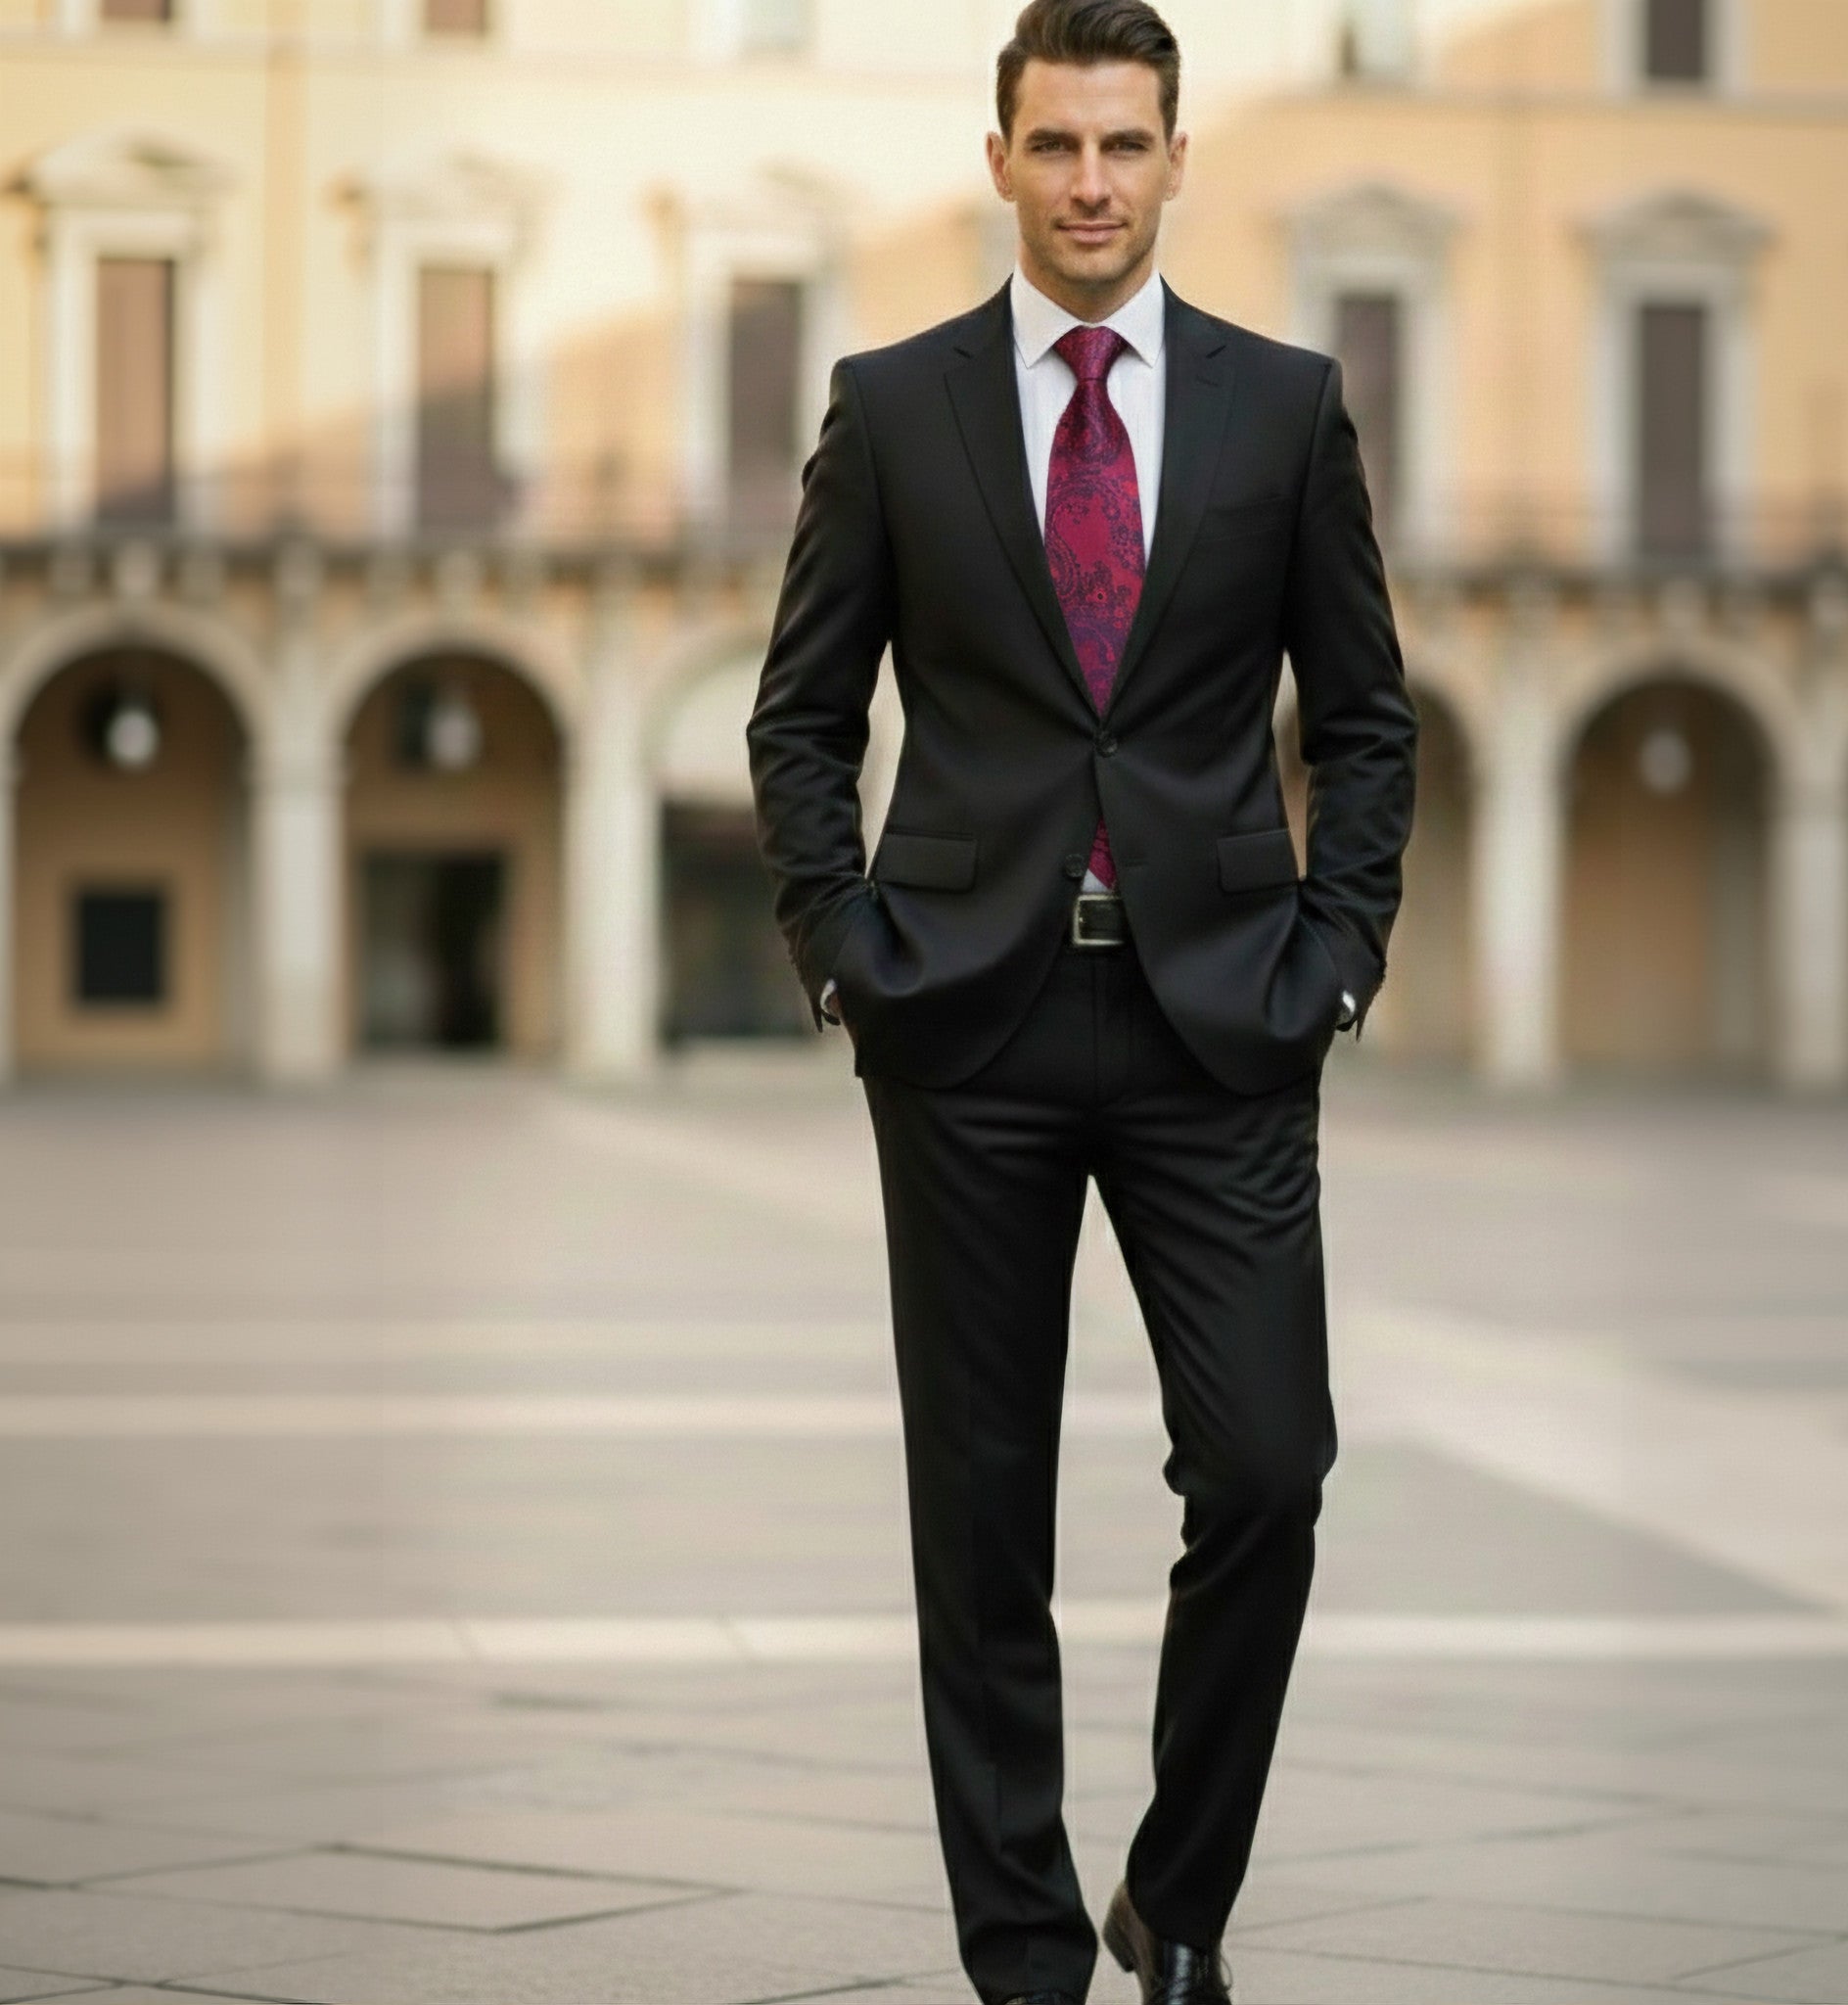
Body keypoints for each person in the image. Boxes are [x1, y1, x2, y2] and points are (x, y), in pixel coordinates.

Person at [748, 2, 1418, 1998]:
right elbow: (799, 713)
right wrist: (838, 942)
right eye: (1054, 146)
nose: (1091, 183)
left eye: (1124, 144)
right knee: (979, 1518)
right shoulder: (894, 404)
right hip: (962, 1023)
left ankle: (1178, 1894)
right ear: (998, 163)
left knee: (1269, 1469)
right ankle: (1026, 1956)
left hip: (1221, 1020)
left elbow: (1365, 724)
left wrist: (1339, 952)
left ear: (1176, 159)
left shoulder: (1281, 410)